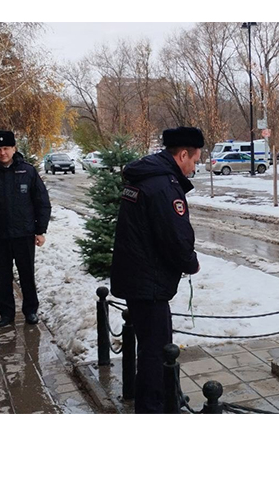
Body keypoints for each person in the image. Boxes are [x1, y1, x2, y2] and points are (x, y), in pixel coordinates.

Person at [110, 126, 203, 413]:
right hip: (149, 282)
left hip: (137, 276)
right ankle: (154, 408)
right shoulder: (163, 185)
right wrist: (191, 262)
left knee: (149, 347)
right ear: (183, 154)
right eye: (195, 160)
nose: (194, 166)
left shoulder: (145, 177)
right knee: (156, 352)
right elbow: (175, 238)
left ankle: (157, 399)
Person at [0, 131, 51, 328]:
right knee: (3, 276)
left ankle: (30, 310)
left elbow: (41, 201)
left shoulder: (27, 171)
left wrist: (40, 230)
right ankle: (6, 313)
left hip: (24, 233)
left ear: (14, 149)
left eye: (6, 149)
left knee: (27, 274)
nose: (3, 153)